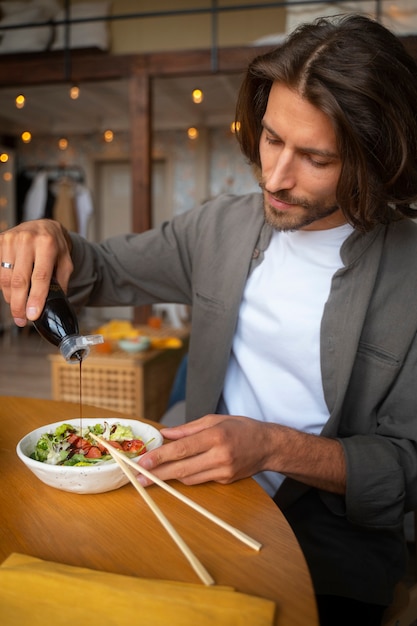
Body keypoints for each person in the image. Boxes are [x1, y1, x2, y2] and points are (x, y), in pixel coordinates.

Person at [1, 14, 417, 625]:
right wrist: (50, 236)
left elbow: (406, 465)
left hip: (332, 547)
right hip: (193, 496)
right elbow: (102, 268)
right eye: (272, 139)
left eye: (316, 158)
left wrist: (273, 447)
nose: (274, 178)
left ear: (376, 158)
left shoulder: (409, 271)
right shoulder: (222, 226)